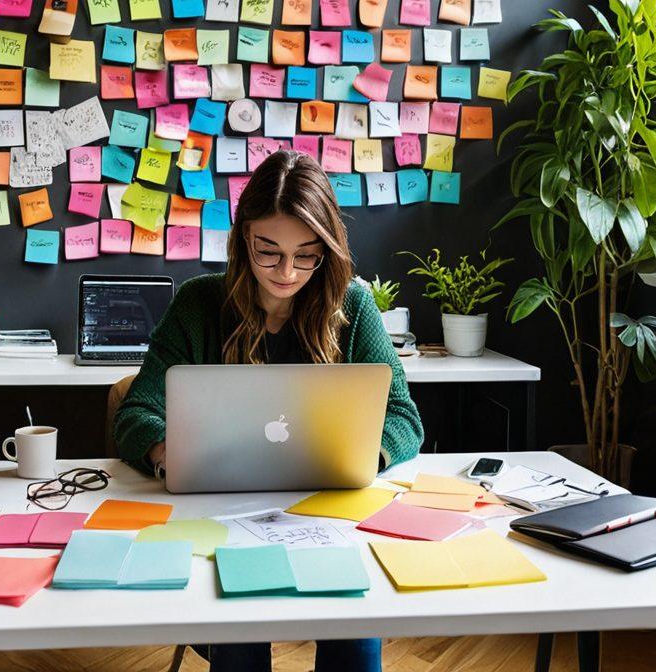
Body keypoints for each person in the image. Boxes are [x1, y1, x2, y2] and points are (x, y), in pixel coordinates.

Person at [114, 149, 424, 672]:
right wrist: (170, 453)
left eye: (307, 254)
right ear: (242, 241)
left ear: (328, 250)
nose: (287, 271)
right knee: (239, 633)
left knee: (355, 629)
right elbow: (136, 410)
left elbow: (403, 417)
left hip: (330, 515)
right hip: (221, 517)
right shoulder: (198, 304)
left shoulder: (355, 307)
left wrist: (363, 455)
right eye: (268, 252)